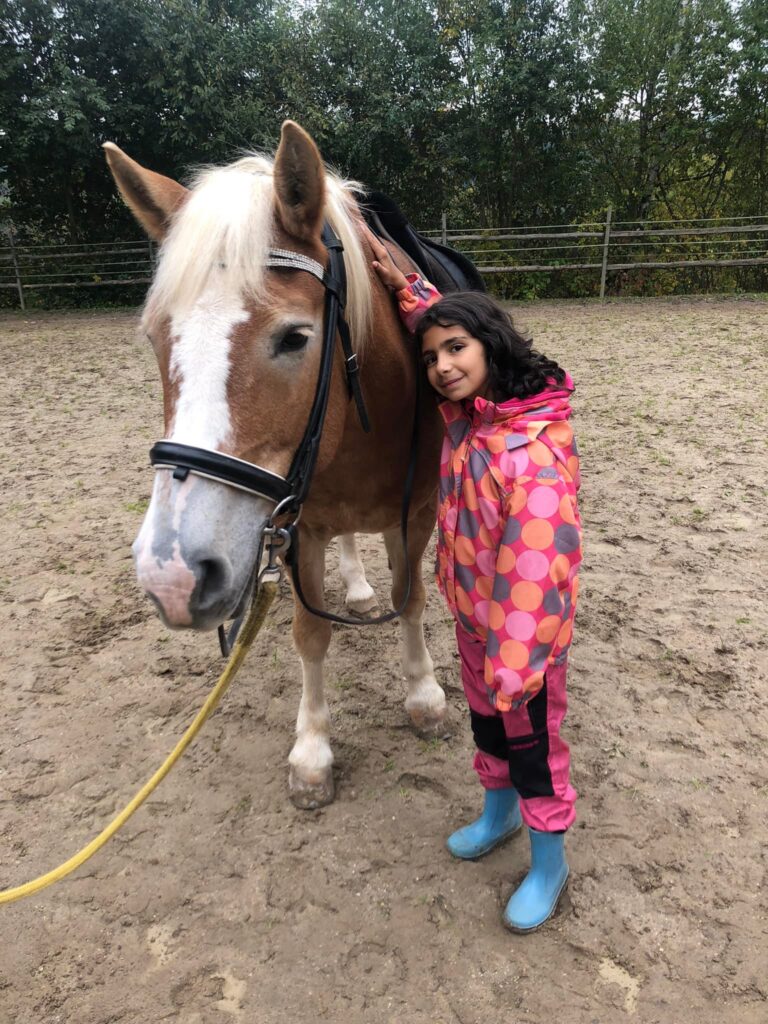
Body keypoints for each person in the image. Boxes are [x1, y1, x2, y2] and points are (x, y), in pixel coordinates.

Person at [371, 238, 582, 933]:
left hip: (523, 646)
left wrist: (515, 665)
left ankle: (548, 862)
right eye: (431, 357)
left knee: (534, 750)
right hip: (475, 622)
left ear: (492, 345)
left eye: (456, 350)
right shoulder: (473, 417)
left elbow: (537, 568)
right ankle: (498, 815)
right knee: (487, 728)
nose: (442, 366)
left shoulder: (533, 453)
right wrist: (409, 292)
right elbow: (442, 323)